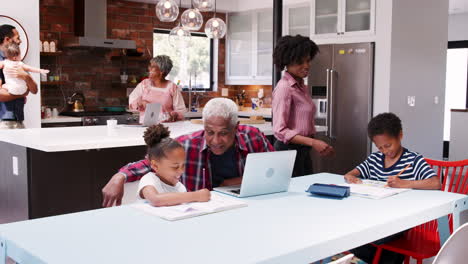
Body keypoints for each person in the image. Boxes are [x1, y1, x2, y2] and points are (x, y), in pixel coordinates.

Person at [102, 98, 274, 207]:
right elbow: (151, 163)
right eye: (209, 132)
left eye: (223, 133)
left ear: (236, 128)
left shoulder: (253, 137)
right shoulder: (186, 145)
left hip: (245, 207)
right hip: (200, 214)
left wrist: (232, 182)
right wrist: (120, 176)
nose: (215, 141)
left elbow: (273, 171)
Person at [344, 112, 441, 264]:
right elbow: (351, 173)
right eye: (380, 147)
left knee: (375, 237)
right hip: (374, 216)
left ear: (400, 136)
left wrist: (405, 183)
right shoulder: (375, 159)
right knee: (349, 233)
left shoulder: (413, 159)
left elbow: (435, 183)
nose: (385, 151)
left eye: (388, 145)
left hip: (401, 220)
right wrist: (350, 177)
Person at [272, 35, 334, 177]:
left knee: (305, 191)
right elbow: (280, 130)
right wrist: (313, 142)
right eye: (300, 62)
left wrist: (314, 143)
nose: (306, 66)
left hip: (303, 150)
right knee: (293, 195)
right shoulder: (285, 88)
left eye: (307, 60)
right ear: (287, 62)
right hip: (288, 152)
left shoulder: (301, 86)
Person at [137, 124, 210, 206]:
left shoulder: (180, 187)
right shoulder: (149, 180)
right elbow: (156, 200)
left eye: (183, 165)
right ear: (155, 166)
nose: (181, 171)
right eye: (175, 167)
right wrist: (196, 196)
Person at [0, 24, 38, 129]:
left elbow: (34, 90)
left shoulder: (17, 60)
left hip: (18, 120)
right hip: (4, 123)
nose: (20, 41)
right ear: (7, 39)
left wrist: (27, 77)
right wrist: (22, 93)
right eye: (18, 38)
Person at [128, 55, 186, 123]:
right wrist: (140, 103)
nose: (149, 68)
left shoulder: (172, 87)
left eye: (153, 67)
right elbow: (132, 101)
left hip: (166, 127)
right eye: (150, 66)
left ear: (162, 71)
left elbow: (181, 111)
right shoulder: (144, 84)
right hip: (145, 126)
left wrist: (174, 115)